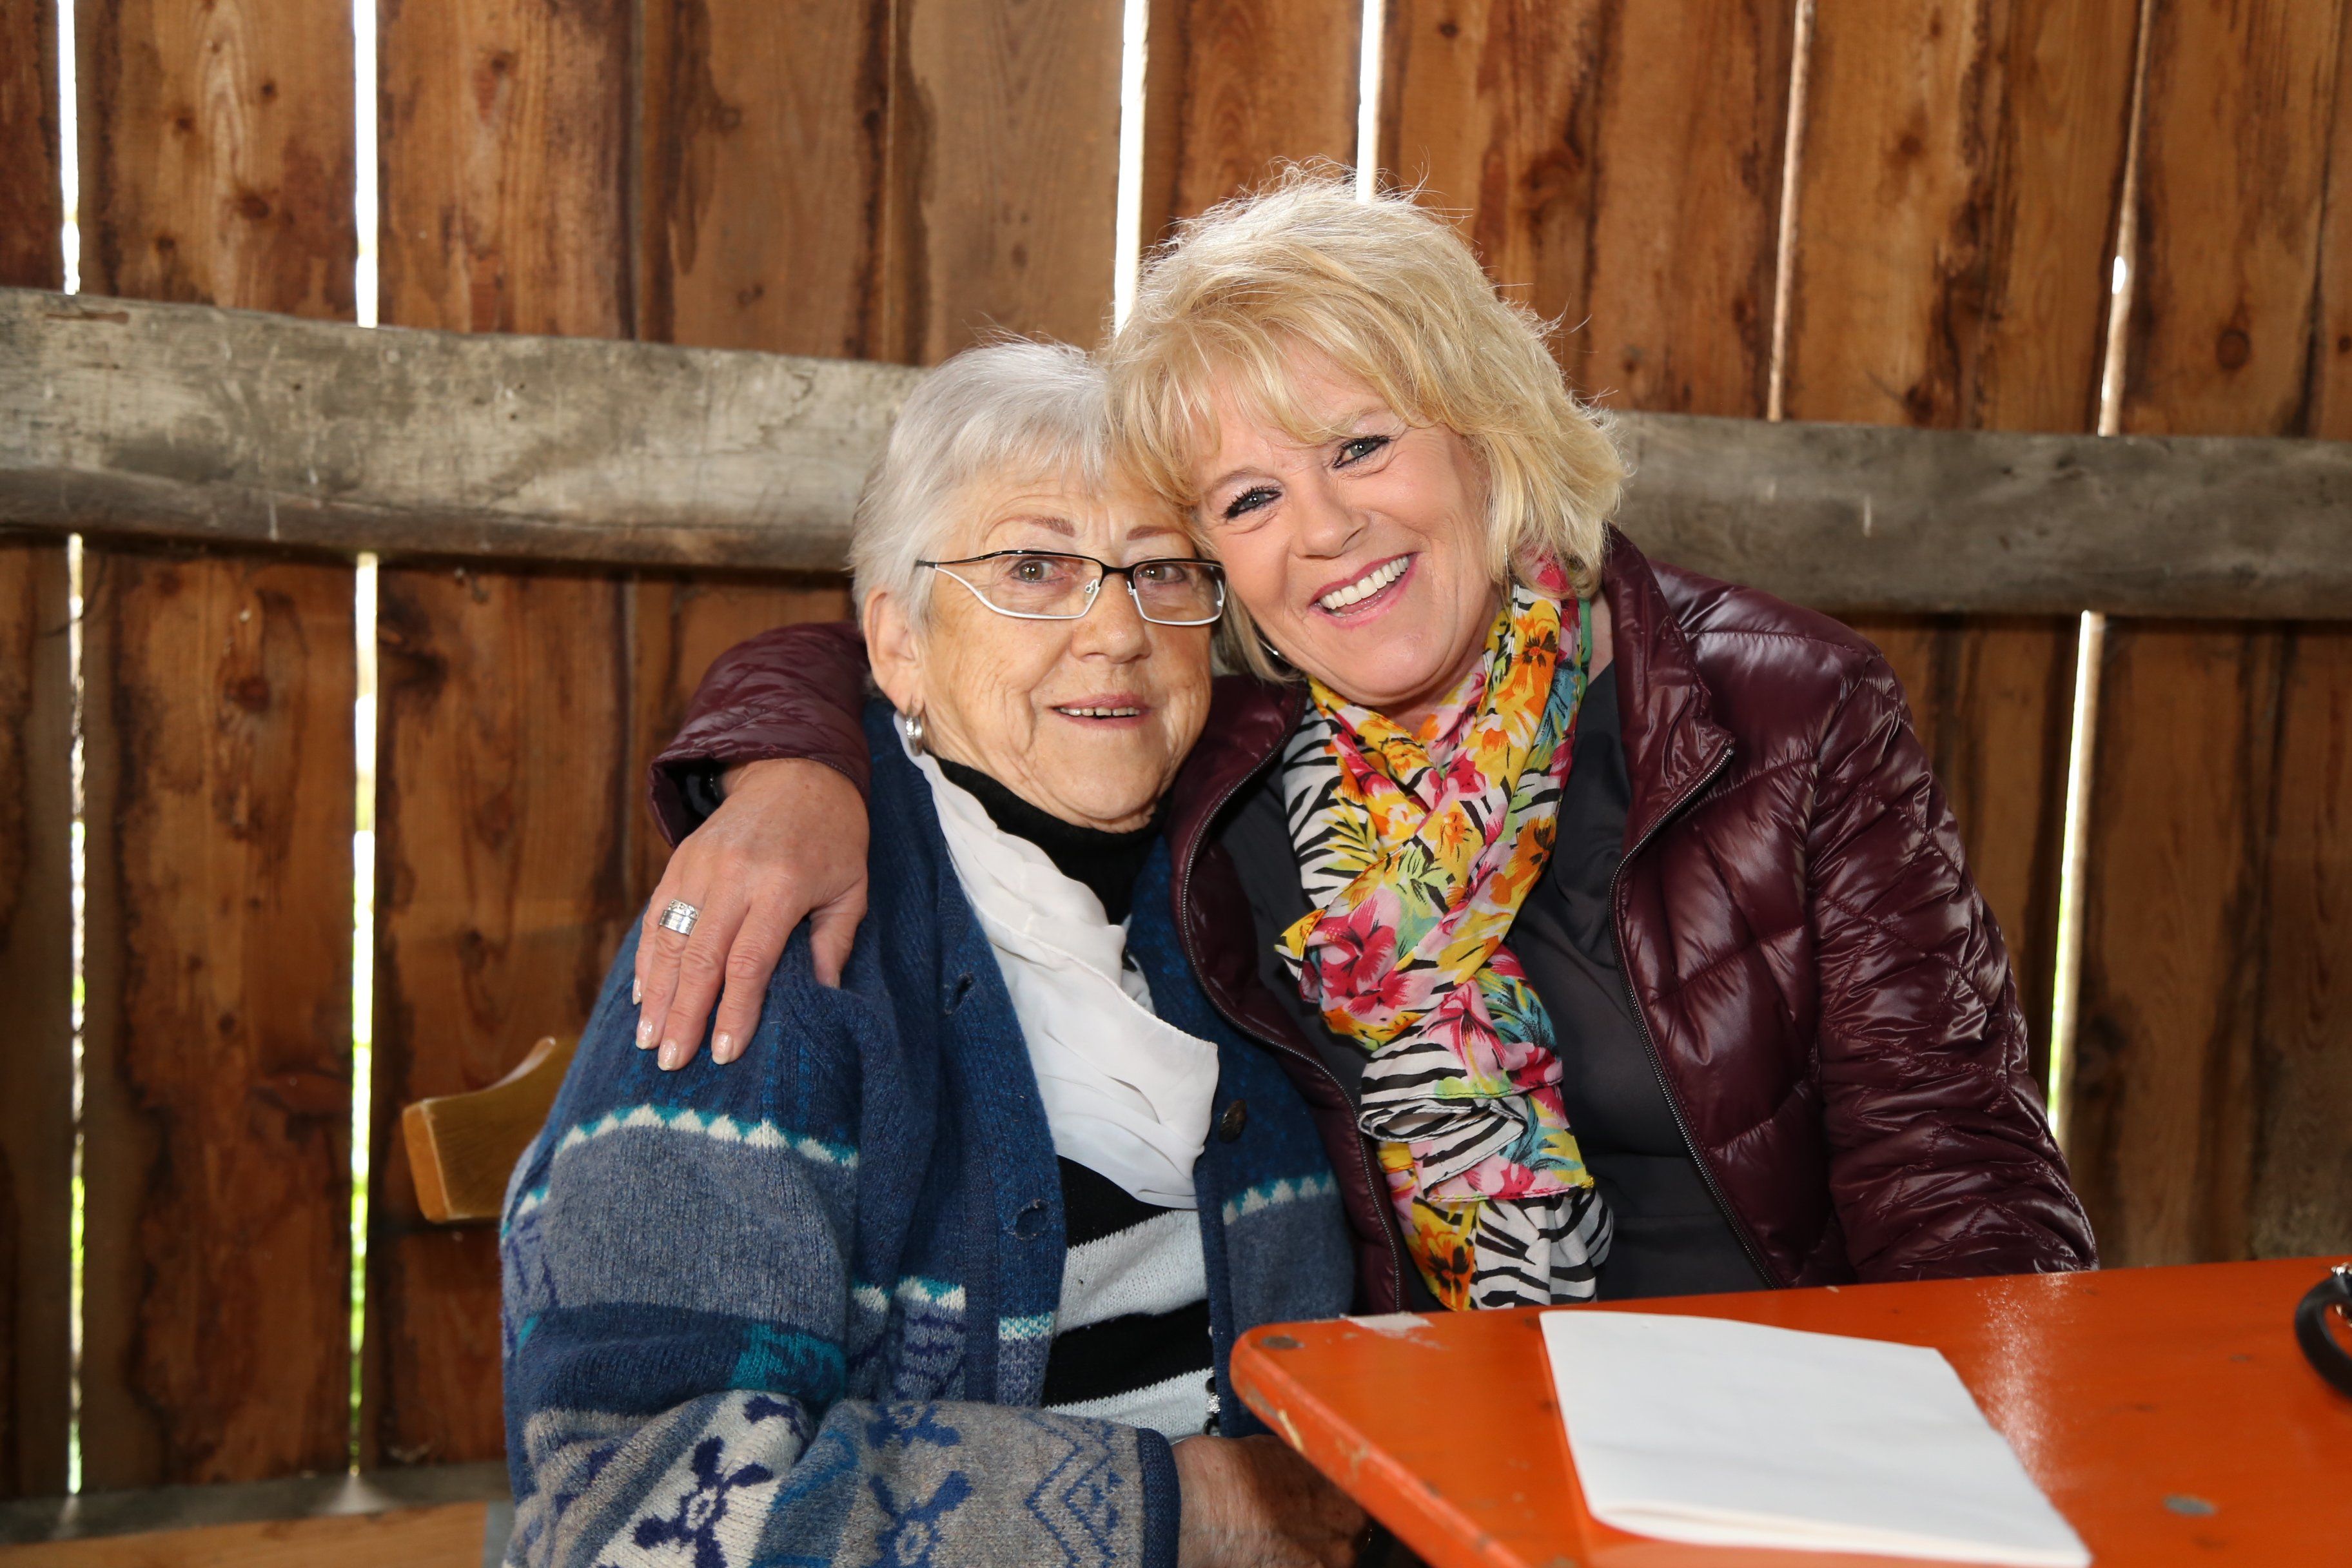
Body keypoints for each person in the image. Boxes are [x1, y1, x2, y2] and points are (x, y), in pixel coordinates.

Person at [631, 173, 2097, 1313]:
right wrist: (786, 777)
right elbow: (942, 647)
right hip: (1420, 1458)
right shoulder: (1229, 753)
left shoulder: (1785, 711)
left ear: (1484, 433)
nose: (1325, 530)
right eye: (1248, 500)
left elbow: (1955, 1171)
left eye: (1360, 446)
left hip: (1797, 1426)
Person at [500, 341, 1367, 1568]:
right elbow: (641, 1510)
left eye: (1162, 570)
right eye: (1033, 568)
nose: (1117, 631)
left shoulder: (1255, 872)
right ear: (899, 643)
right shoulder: (786, 939)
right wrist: (1187, 1510)